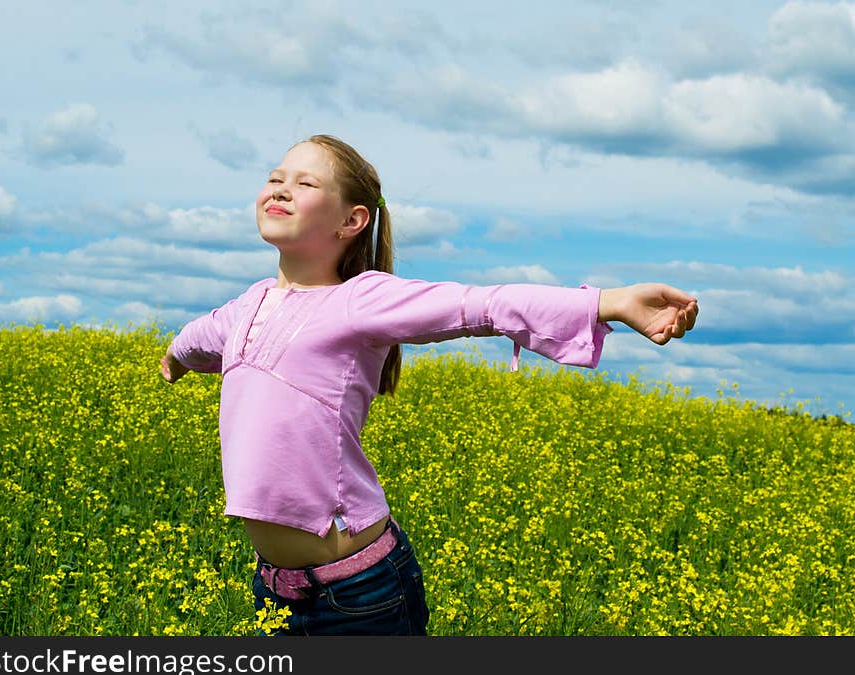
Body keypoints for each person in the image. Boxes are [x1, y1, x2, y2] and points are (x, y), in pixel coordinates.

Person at [159, 134, 698, 636]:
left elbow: (479, 305)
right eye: (275, 176)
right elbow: (197, 337)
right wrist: (174, 361)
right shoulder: (246, 306)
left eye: (305, 182)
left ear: (352, 221)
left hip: (358, 594)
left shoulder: (359, 299)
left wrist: (609, 302)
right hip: (276, 594)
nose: (280, 187)